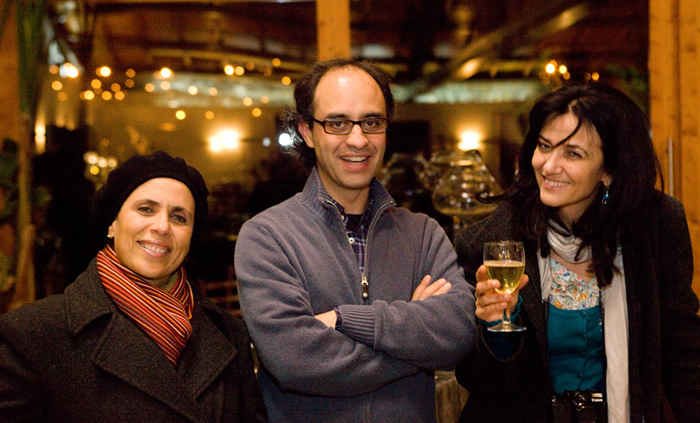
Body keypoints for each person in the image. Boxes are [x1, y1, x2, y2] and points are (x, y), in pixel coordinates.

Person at [234, 58, 476, 422]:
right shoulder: (267, 236)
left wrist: (344, 319)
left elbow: (458, 332)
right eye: (337, 123)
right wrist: (414, 343)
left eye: (372, 122)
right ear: (308, 132)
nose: (358, 139)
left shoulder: (423, 233)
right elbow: (294, 360)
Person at [454, 82, 700, 422]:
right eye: (544, 146)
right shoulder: (493, 242)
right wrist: (496, 328)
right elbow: (484, 384)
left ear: (611, 169)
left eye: (572, 154)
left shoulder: (655, 226)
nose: (549, 166)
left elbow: (683, 353)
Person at [0, 151, 267, 422]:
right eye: (146, 209)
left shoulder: (229, 335)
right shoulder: (31, 335)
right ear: (112, 224)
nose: (162, 227)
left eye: (179, 217)